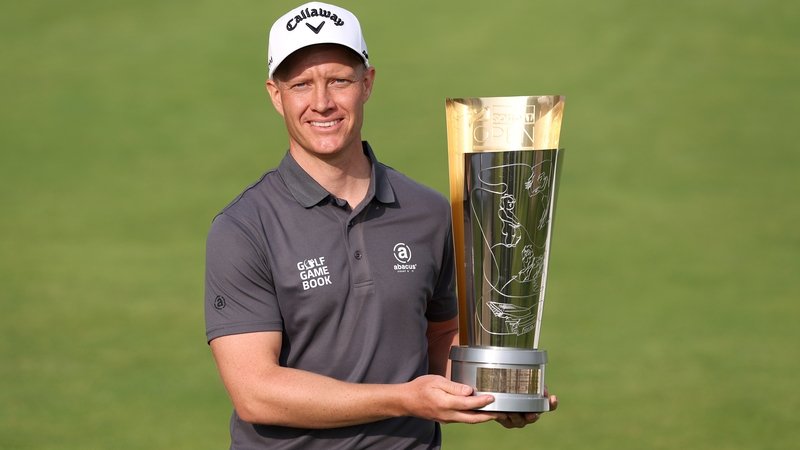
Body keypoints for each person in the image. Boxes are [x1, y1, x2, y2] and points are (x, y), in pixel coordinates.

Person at [204, 2, 557, 448]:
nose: (322, 102)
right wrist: (404, 400)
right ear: (276, 94)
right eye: (301, 85)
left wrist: (498, 391)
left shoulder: (429, 211)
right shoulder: (243, 228)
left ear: (367, 83)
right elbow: (257, 394)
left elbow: (440, 335)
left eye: (339, 80)